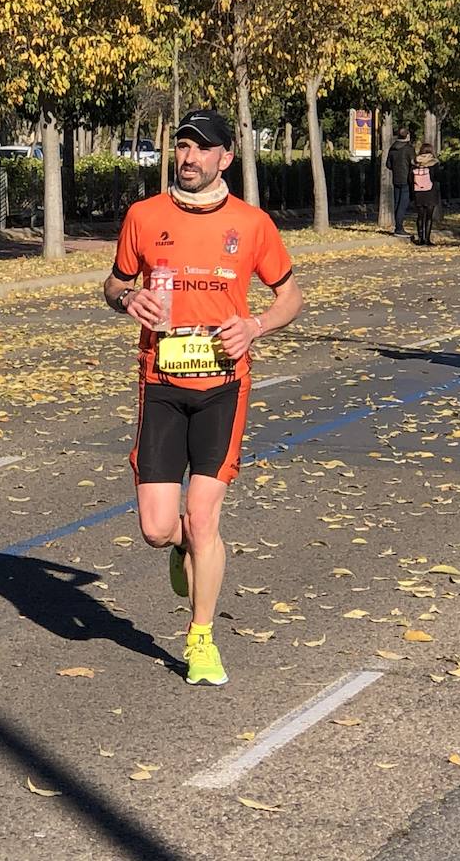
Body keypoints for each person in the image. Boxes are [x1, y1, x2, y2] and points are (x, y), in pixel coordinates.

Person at [103, 109, 303, 686]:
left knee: (204, 513)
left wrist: (257, 326)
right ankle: (182, 549)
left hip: (224, 385)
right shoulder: (144, 216)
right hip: (161, 384)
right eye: (182, 147)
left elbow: (291, 297)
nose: (188, 158)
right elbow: (113, 285)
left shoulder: (252, 223)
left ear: (225, 158)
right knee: (159, 527)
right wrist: (127, 301)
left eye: (201, 149)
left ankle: (201, 638)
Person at [386, 127, 416, 237]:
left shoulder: (392, 148)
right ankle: (399, 228)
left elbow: (388, 165)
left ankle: (397, 226)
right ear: (407, 136)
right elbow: (414, 163)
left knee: (397, 203)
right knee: (403, 204)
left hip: (396, 178)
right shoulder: (409, 149)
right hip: (406, 179)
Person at [410, 142, 439, 246]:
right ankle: (427, 239)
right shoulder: (434, 163)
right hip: (430, 192)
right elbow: (437, 177)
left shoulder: (415, 163)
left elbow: (410, 178)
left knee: (420, 216)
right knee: (429, 217)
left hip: (418, 192)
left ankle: (420, 238)